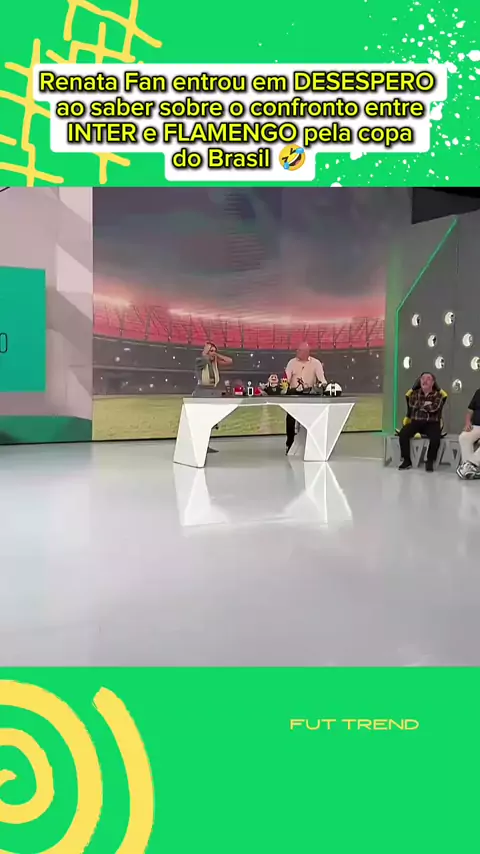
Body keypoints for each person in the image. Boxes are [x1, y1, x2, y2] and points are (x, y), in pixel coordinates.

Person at [398, 372, 445, 472]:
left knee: (435, 438)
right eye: (423, 378)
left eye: (428, 379)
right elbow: (412, 405)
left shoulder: (438, 395)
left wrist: (421, 406)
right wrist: (426, 404)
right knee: (403, 433)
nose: (425, 381)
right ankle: (406, 460)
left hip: (432, 423)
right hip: (416, 421)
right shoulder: (414, 394)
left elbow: (435, 408)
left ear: (433, 382)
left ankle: (430, 461)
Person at [284, 343, 327, 453]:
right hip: (294, 394)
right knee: (290, 418)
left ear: (307, 352)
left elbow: (322, 380)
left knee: (314, 419)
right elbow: (286, 379)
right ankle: (290, 443)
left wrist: (320, 386)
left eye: (300, 350)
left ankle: (313, 444)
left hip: (310, 394)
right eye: (297, 350)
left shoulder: (316, 363)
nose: (297, 352)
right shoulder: (291, 363)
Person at [194, 342, 233, 453]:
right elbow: (204, 358)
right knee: (201, 421)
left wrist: (216, 354)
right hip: (202, 392)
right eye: (211, 351)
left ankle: (205, 445)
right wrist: (206, 352)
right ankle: (199, 446)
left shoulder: (214, 361)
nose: (213, 353)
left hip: (212, 391)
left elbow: (229, 361)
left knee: (209, 421)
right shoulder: (200, 361)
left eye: (215, 350)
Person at [457, 387, 480, 479]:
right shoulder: (478, 392)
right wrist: (467, 423)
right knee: (464, 437)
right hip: (477, 426)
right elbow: (470, 411)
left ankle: (470, 465)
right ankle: (468, 469)